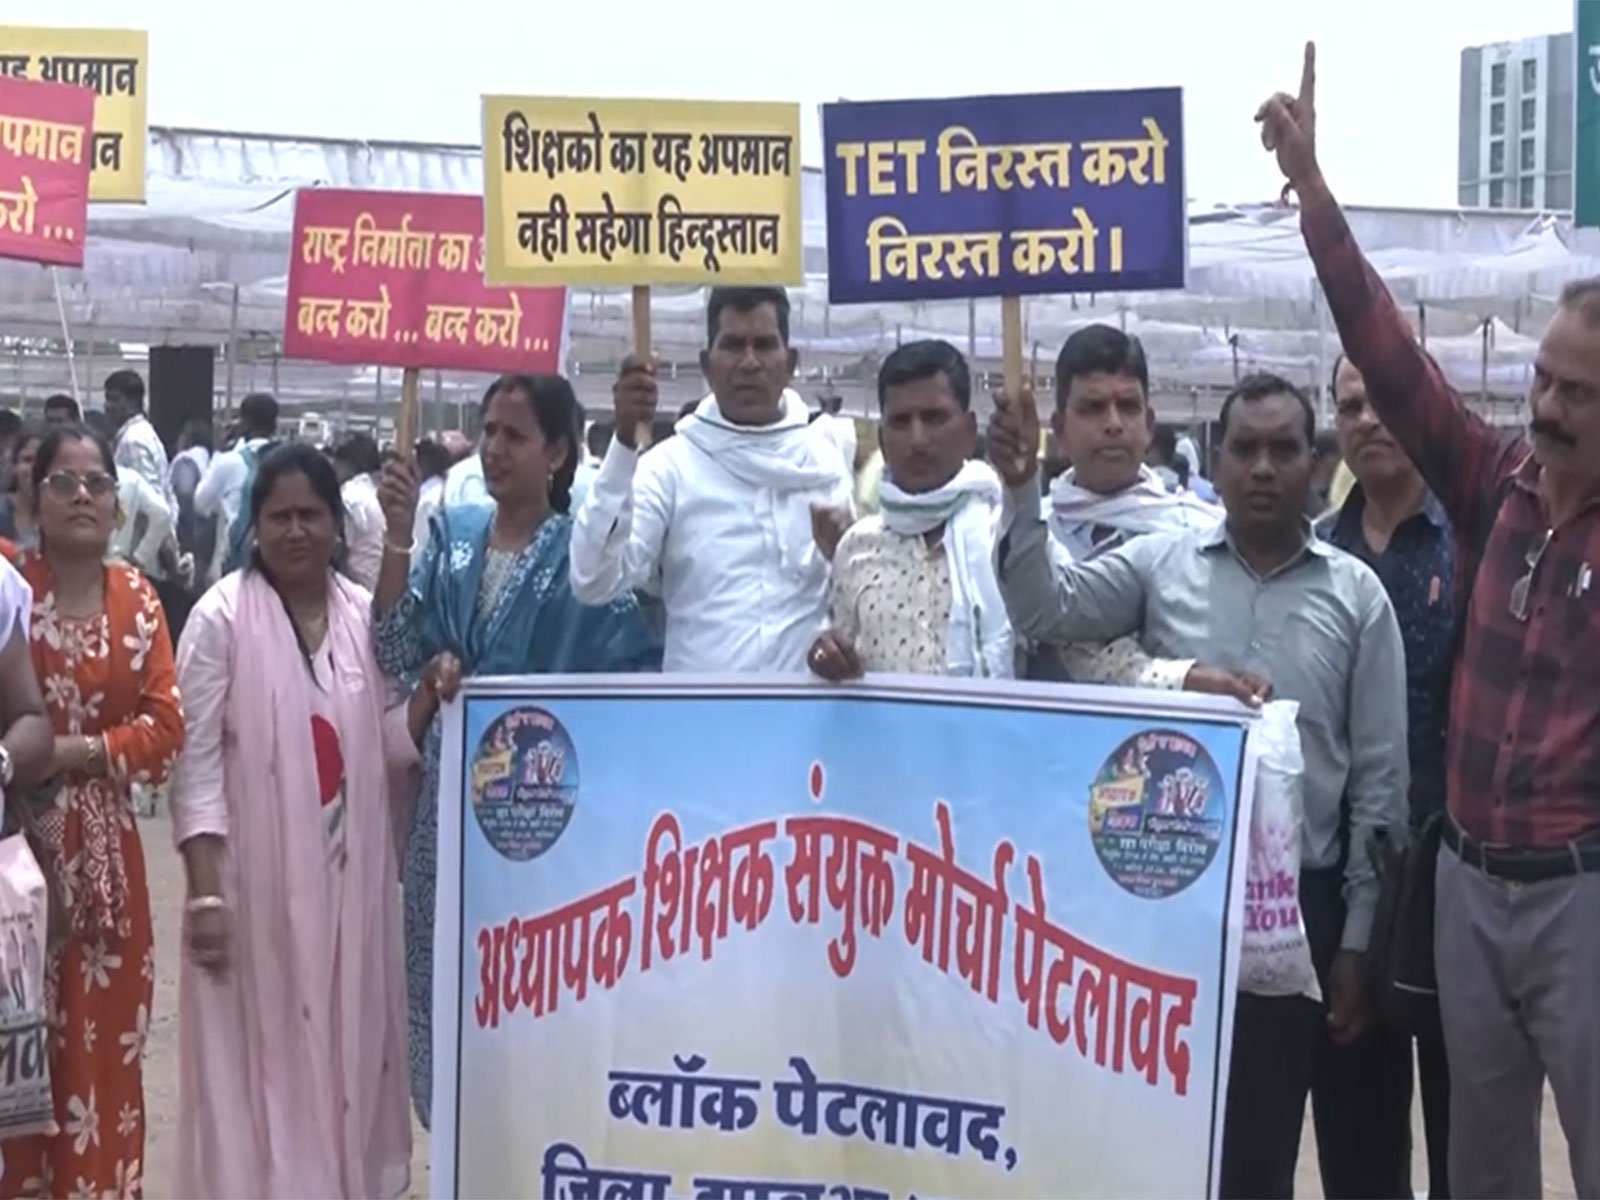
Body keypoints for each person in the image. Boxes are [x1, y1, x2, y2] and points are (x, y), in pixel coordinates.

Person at [1262, 41, 1600, 1198]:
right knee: (1480, 1168)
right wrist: (1313, 194)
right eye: (1543, 381)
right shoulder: (1491, 484)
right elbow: (1388, 355)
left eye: (1575, 392)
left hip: (1582, 898)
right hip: (1464, 886)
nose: (1545, 407)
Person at [990, 370, 1409, 1200]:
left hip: (1308, 906)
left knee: (1315, 1155)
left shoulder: (1356, 595)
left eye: (1282, 449)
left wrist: (1358, 942)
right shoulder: (1159, 565)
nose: (1261, 468)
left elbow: (1380, 786)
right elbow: (1044, 611)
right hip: (1176, 911)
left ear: (1315, 463)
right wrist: (1019, 489)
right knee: (1208, 1153)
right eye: (1244, 449)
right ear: (1216, 466)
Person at [371, 372, 660, 1128]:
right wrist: (397, 533)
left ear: (559, 452)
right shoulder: (451, 534)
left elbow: (630, 680)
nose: (494, 449)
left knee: (536, 984)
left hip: (547, 827)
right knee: (446, 982)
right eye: (487, 430)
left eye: (515, 435)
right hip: (447, 814)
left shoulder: (587, 564)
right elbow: (394, 642)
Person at [169, 443, 419, 1197]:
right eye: (279, 516)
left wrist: (434, 699)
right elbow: (197, 762)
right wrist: (207, 895)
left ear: (338, 527)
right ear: (254, 526)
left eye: (312, 515)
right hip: (255, 889)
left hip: (349, 886)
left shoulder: (359, 616)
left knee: (344, 1038)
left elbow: (386, 740)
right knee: (264, 1054)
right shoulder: (218, 619)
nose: (296, 531)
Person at [1, 425, 185, 1198]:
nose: (82, 495)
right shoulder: (9, 585)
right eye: (63, 481)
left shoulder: (139, 601)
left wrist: (74, 754)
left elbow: (166, 728)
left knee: (100, 1051)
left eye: (98, 483)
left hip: (105, 862)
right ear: (30, 497)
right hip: (13, 845)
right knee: (18, 1032)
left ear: (117, 506)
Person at [1315, 352, 1453, 1198]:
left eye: (1384, 399)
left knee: (1465, 1126)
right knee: (1357, 1131)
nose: (1368, 418)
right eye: (1350, 403)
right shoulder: (1318, 557)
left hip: (1452, 878)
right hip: (1350, 887)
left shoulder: (1476, 537)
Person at [570, 286, 855, 672]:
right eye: (733, 345)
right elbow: (592, 581)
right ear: (707, 364)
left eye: (765, 345)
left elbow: (848, 600)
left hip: (803, 715)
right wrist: (623, 444)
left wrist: (846, 554)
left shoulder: (824, 461)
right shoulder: (670, 467)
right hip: (698, 717)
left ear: (790, 363)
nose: (749, 362)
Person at [196, 392, 279, 580]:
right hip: (277, 565)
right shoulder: (290, 461)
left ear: (244, 422)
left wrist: (218, 452)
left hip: (235, 567)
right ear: (275, 424)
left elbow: (200, 504)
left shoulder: (229, 461)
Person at [330, 433, 385, 590]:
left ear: (348, 464)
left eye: (337, 462)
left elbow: (336, 554)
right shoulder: (376, 493)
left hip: (355, 592)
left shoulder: (349, 497)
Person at [0, 427, 42, 549]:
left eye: (41, 461)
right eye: (27, 460)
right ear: (14, 466)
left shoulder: (63, 516)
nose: (34, 468)